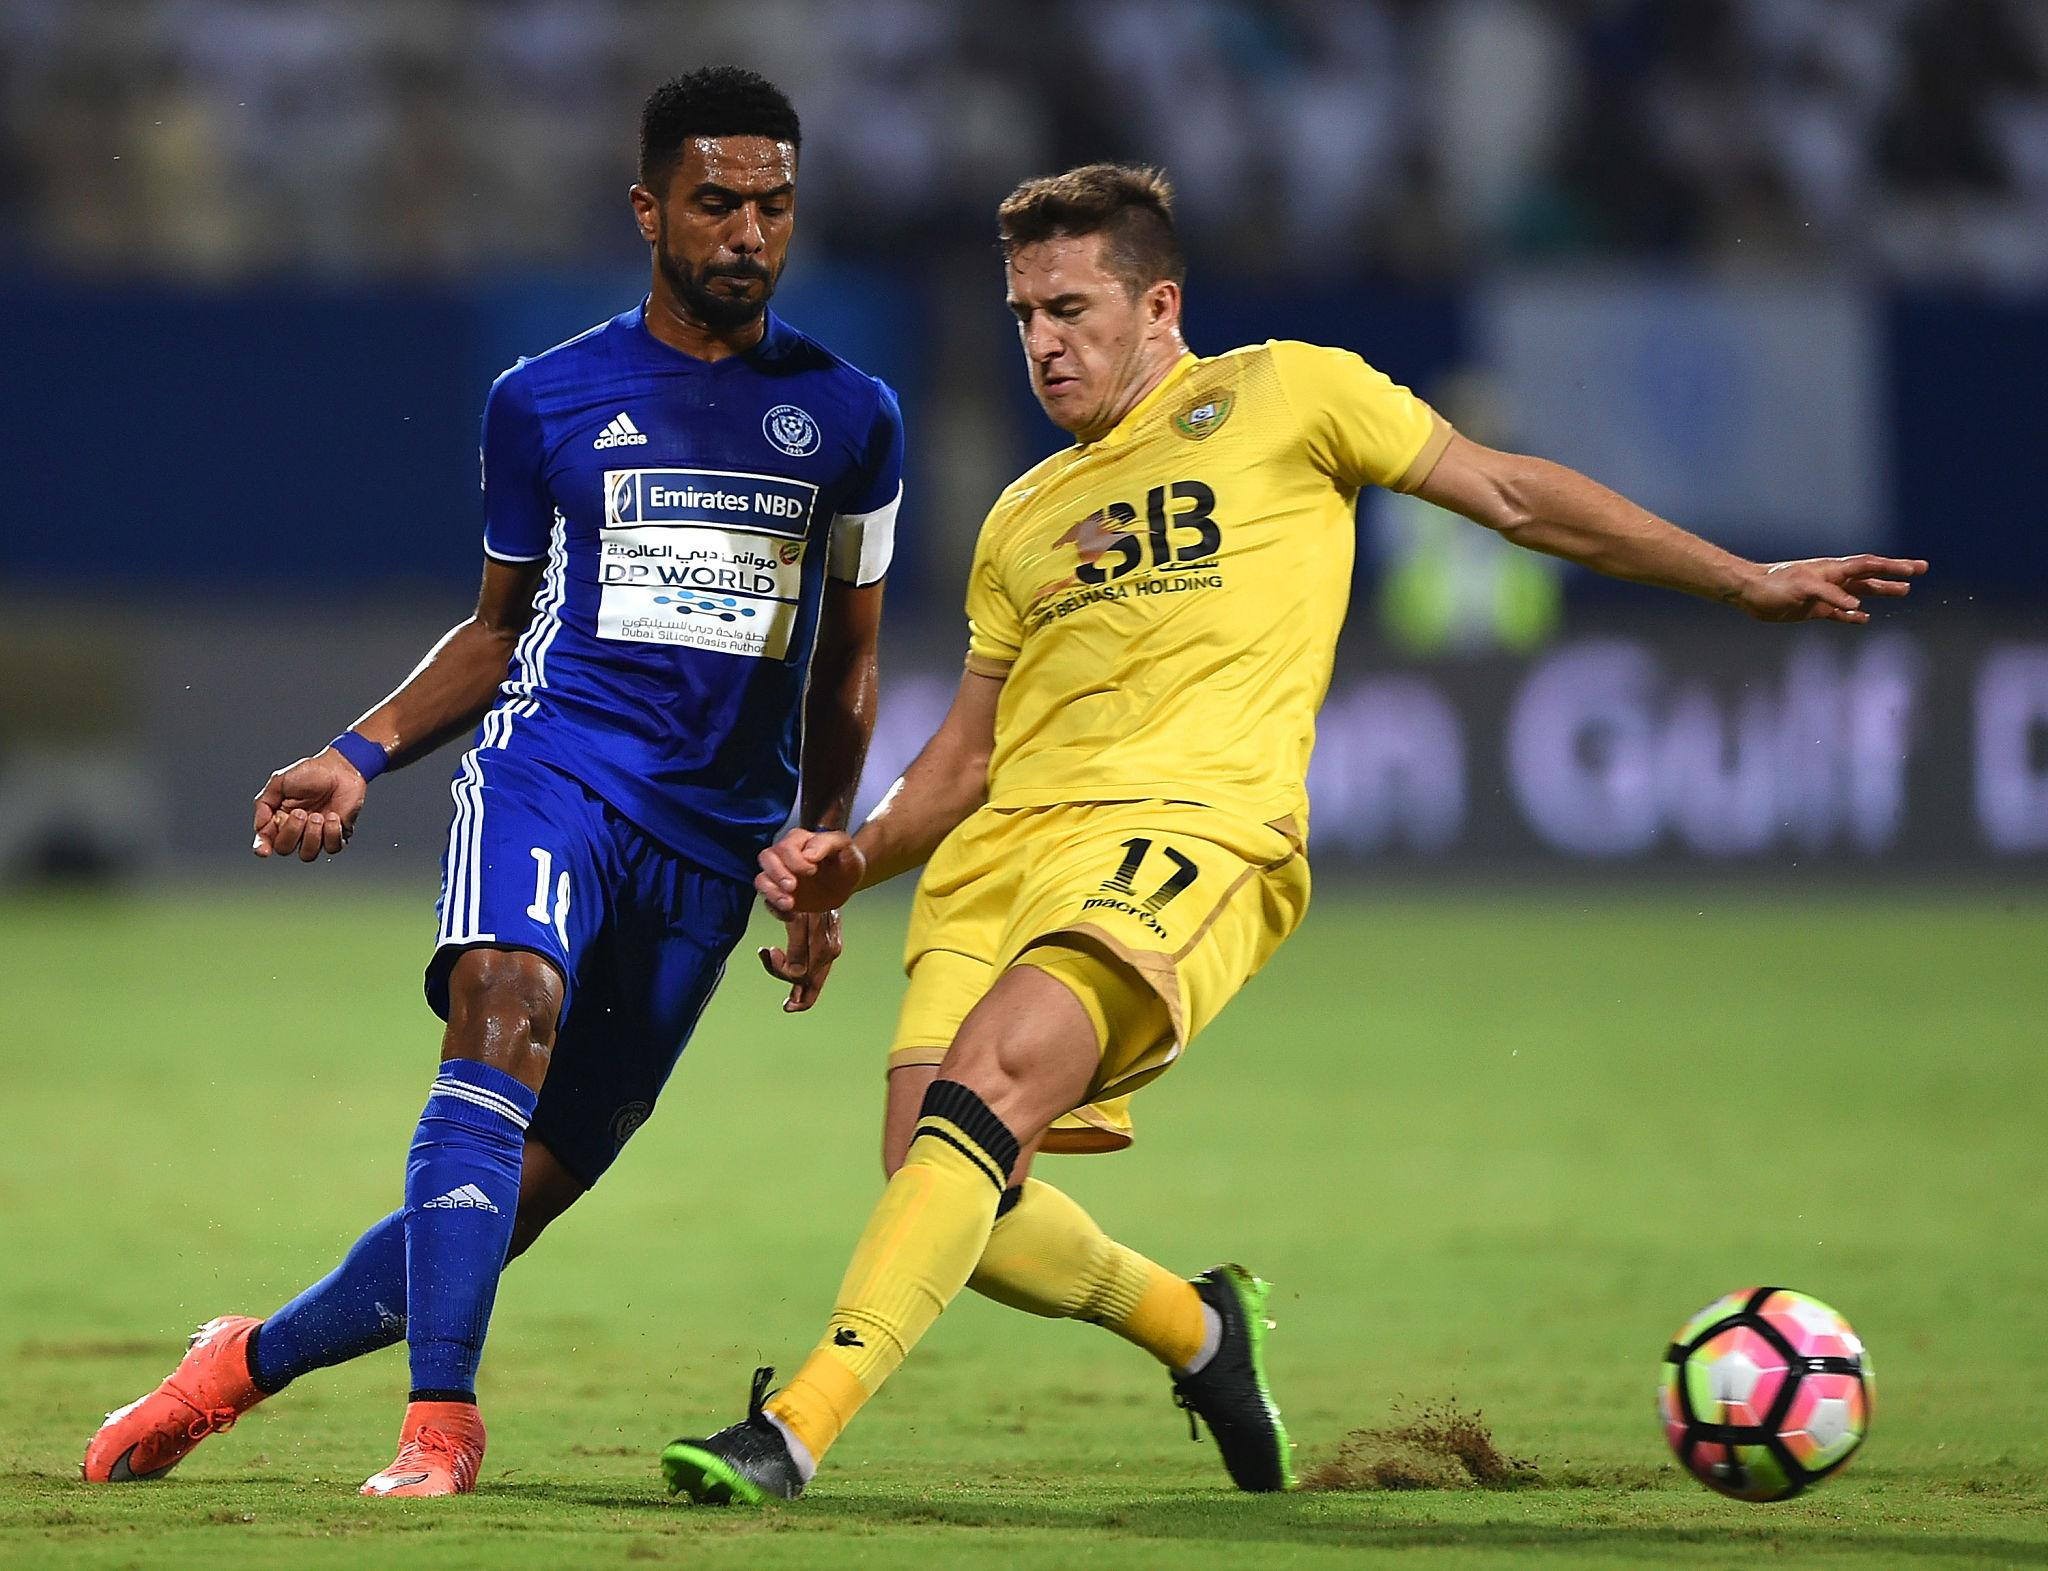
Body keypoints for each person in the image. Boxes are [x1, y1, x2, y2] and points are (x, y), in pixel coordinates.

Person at [659, 163, 1925, 1504]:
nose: (1043, 342)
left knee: (990, 1085)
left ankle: (794, 1428)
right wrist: (850, 858)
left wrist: (1740, 579)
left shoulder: (1288, 393)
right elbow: (966, 757)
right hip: (996, 862)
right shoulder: (1022, 517)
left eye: (1071, 308)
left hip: (1185, 830)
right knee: (952, 1183)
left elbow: (1509, 493)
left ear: (1160, 305)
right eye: (1024, 314)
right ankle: (1201, 1333)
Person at [83, 66, 904, 1499]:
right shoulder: (546, 399)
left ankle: (238, 1362)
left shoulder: (853, 417)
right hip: (555, 769)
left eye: (774, 207)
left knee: (506, 1202)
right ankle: (442, 1424)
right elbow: (493, 630)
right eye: (716, 202)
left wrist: (824, 855)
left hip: (714, 847)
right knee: (503, 1006)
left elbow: (849, 665)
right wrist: (356, 754)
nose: (748, 234)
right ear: (649, 208)